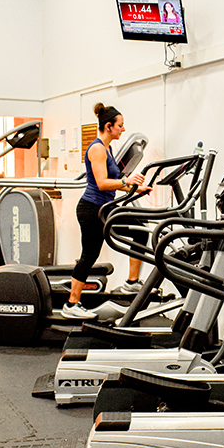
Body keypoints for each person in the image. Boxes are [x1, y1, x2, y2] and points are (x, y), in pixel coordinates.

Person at [61, 103, 149, 319]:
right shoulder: (98, 149)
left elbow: (114, 183)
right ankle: (72, 304)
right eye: (120, 125)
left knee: (139, 231)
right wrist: (126, 181)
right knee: (90, 255)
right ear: (109, 126)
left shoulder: (107, 149)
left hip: (102, 207)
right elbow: (102, 183)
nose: (123, 129)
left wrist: (137, 188)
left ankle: (131, 283)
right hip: (92, 209)